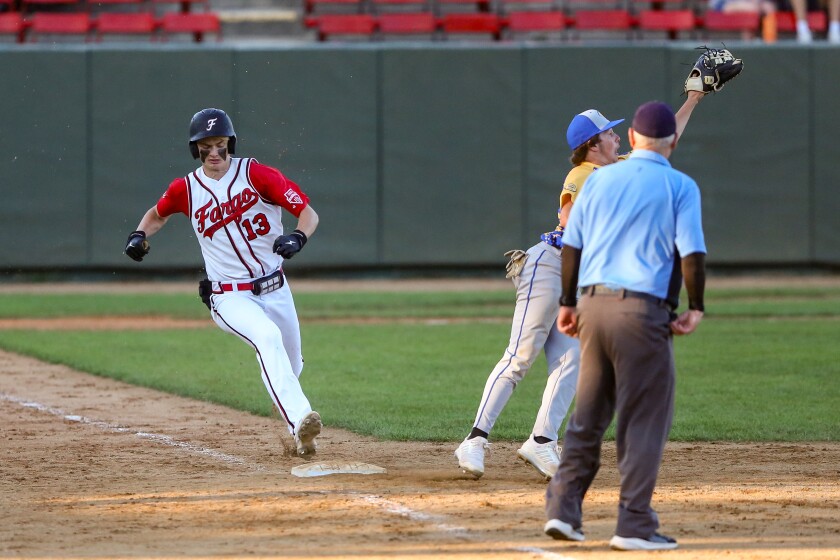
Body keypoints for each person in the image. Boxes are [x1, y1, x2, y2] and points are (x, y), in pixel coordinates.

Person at [454, 91, 706, 481]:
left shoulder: (622, 167)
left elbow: (663, 138)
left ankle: (541, 441)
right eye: (609, 133)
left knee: (571, 362)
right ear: (592, 144)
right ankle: (475, 438)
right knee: (522, 354)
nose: (618, 138)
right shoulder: (583, 174)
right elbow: (569, 219)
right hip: (550, 265)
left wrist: (694, 97)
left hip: (578, 276)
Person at [543, 101, 707, 551]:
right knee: (644, 420)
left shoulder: (601, 180)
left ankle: (562, 511)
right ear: (671, 142)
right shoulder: (680, 185)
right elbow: (691, 253)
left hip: (593, 306)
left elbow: (571, 243)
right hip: (642, 312)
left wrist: (568, 303)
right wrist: (695, 306)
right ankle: (633, 524)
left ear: (632, 139)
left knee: (588, 416)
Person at [124, 108, 323, 457]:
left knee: (290, 366)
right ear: (194, 149)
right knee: (267, 337)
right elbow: (157, 214)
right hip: (229, 295)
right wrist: (139, 234)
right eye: (206, 147)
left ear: (230, 143)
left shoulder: (257, 175)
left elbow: (308, 212)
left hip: (276, 287)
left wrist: (298, 237)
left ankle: (294, 426)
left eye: (220, 145)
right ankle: (301, 422)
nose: (214, 153)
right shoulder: (185, 188)